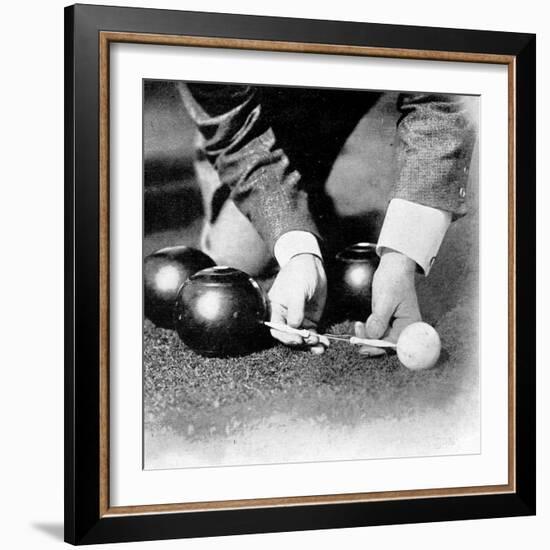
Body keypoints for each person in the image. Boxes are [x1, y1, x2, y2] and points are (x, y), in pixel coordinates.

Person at [177, 83, 476, 354]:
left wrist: (402, 259)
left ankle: (307, 190)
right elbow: (237, 134)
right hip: (261, 104)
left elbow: (444, 100)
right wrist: (297, 250)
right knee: (242, 253)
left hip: (347, 81)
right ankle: (305, 197)